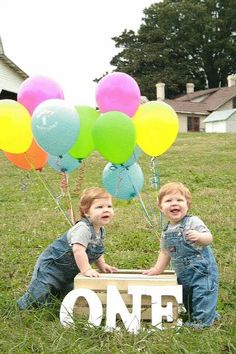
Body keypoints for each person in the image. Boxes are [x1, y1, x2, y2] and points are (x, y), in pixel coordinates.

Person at [17, 187, 117, 309]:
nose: (106, 210)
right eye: (99, 207)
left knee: (65, 293)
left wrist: (102, 265)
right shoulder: (83, 229)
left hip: (68, 271)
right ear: (86, 212)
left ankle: (58, 298)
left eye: (109, 206)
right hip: (52, 267)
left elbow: (96, 249)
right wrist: (86, 269)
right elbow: (78, 250)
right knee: (38, 295)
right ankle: (22, 308)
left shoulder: (100, 230)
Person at [143, 182, 219, 328]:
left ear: (187, 205)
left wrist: (199, 237)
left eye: (179, 200)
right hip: (182, 273)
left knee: (203, 293)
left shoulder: (193, 221)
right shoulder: (166, 231)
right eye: (168, 201)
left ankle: (202, 323)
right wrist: (158, 269)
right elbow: (165, 251)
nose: (174, 204)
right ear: (160, 207)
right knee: (188, 297)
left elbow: (209, 238)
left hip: (202, 270)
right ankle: (203, 315)